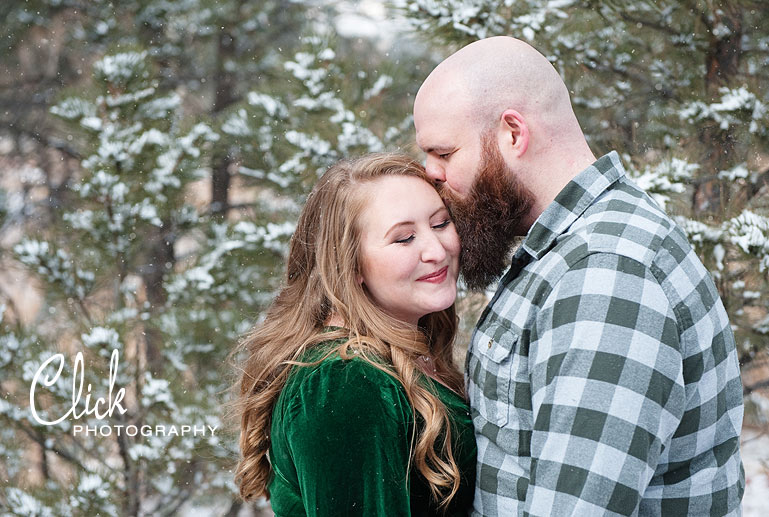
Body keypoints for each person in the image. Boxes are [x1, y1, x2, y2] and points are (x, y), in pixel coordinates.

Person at [413, 36, 744, 516]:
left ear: (512, 133)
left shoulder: (606, 275)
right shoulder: (568, 248)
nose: (431, 174)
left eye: (443, 153)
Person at [230, 154, 476, 516]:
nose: (437, 251)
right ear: (350, 264)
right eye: (404, 238)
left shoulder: (398, 353)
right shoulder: (346, 382)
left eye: (441, 224)